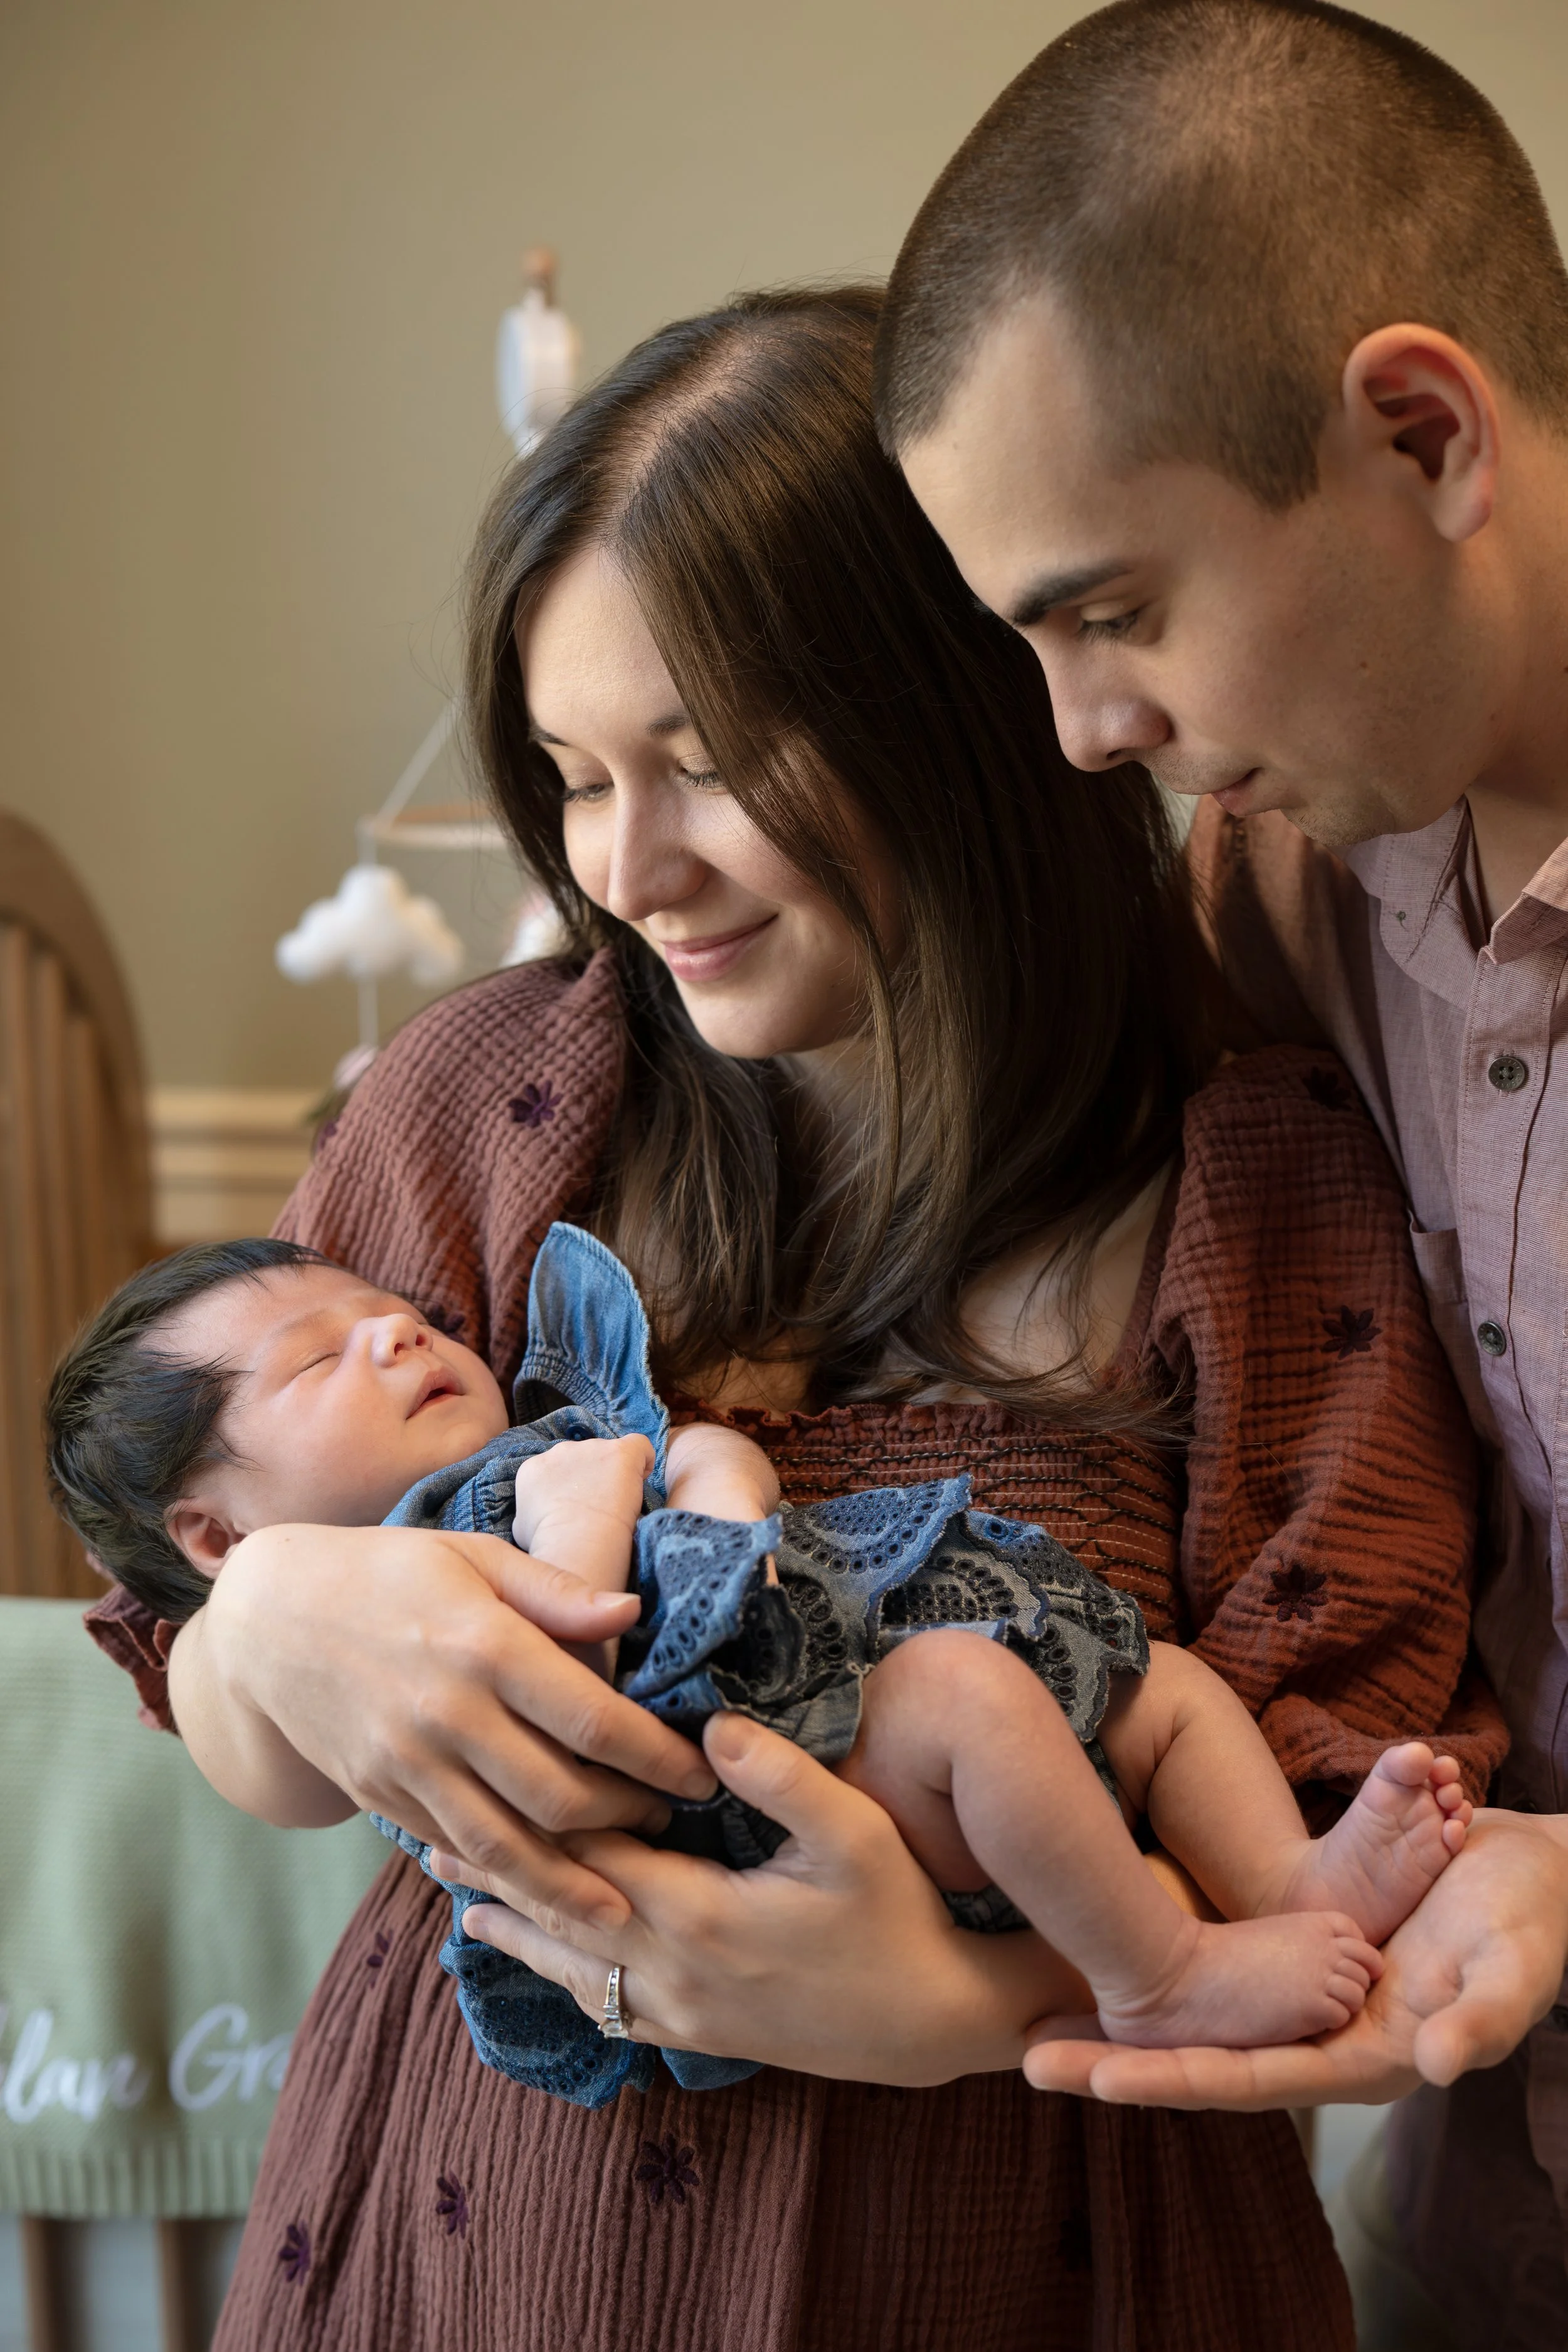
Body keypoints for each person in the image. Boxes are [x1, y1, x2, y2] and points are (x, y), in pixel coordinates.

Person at [85, 287, 1500, 2350]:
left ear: (956, 704)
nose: (632, 863)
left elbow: (1330, 1888)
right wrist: (279, 1619)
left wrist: (953, 2016)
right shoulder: (480, 1118)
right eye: (572, 777)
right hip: (457, 2259)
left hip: (1059, 2262)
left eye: (706, 758)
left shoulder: (1253, 1194)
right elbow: (205, 1686)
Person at [871, 1, 1568, 2340]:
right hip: (1486, 2205)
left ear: (1419, 432)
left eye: (1116, 613)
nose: (1090, 734)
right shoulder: (1296, 877)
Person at [54, 1224, 1471, 2098]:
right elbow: (290, 1754)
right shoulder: (427, 1549)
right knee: (975, 1697)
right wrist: (260, 1616)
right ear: (211, 1530)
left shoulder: (539, 1439)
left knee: (1154, 1683)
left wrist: (722, 1486)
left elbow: (690, 1453)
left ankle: (1285, 1879)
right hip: (797, 1783)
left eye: (395, 1307)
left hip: (865, 1708)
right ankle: (1156, 1973)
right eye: (317, 1363)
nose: (395, 1326)